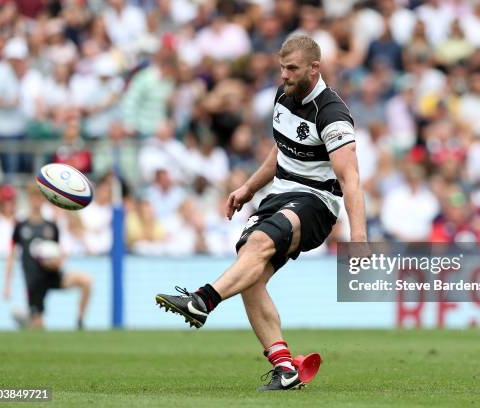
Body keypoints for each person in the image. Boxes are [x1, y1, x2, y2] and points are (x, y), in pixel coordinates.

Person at [156, 35, 366, 391]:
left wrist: (358, 238)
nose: (283, 74)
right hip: (277, 195)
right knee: (249, 270)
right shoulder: (283, 96)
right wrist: (248, 188)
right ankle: (285, 368)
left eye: (292, 68)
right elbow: (280, 149)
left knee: (261, 244)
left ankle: (202, 300)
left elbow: (350, 177)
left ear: (314, 68)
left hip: (315, 203)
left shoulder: (332, 114)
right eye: (282, 67)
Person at [2, 184, 93, 329]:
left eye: (40, 197)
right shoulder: (21, 226)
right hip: (34, 281)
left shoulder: (51, 226)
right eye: (34, 197)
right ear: (29, 199)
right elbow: (11, 255)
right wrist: (7, 285)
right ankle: (28, 322)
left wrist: (56, 263)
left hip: (52, 274)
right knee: (38, 326)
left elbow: (59, 253)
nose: (37, 201)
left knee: (86, 281)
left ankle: (80, 321)